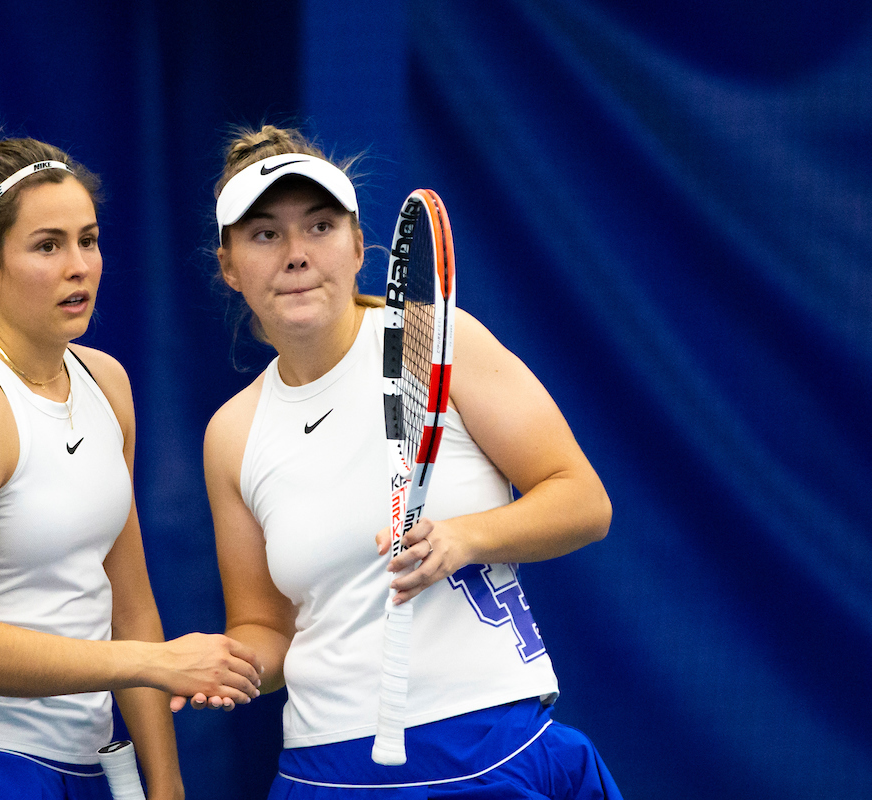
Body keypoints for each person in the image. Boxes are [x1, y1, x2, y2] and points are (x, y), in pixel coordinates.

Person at [192, 125, 622, 798]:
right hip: (321, 771)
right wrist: (223, 665)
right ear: (229, 265)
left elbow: (583, 501)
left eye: (320, 227)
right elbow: (265, 627)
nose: (297, 255)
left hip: (485, 752)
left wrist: (463, 537)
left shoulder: (438, 344)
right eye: (266, 234)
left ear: (359, 246)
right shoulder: (231, 433)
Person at [0, 129, 262, 800]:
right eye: (47, 246)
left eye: (88, 239)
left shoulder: (106, 383)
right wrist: (158, 663)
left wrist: (165, 785)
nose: (79, 265)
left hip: (86, 771)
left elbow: (128, 605)